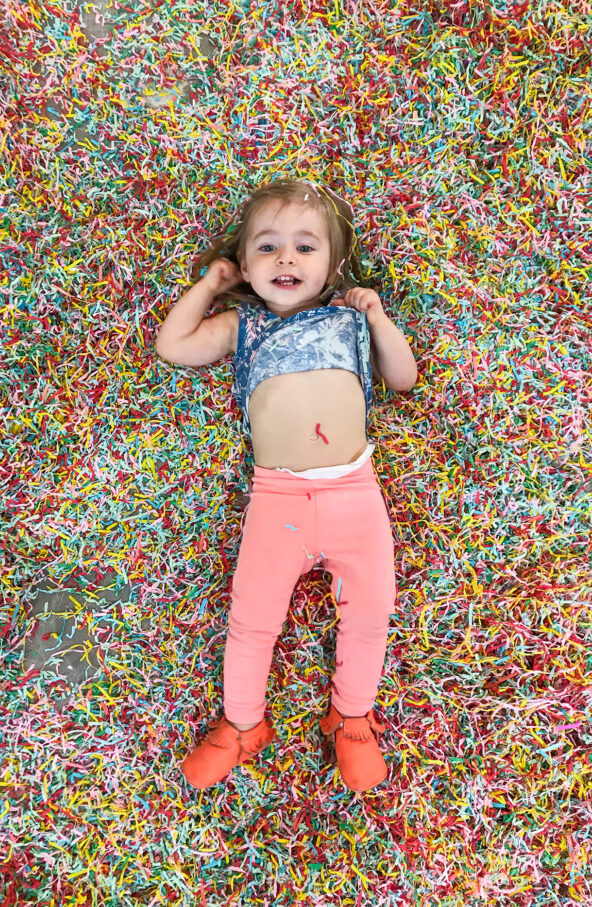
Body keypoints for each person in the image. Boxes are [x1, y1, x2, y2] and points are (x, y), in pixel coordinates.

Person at [155, 178, 418, 791]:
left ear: (332, 263)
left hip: (355, 493)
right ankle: (242, 724)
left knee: (371, 611)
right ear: (245, 265)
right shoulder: (241, 325)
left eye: (305, 247)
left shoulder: (349, 320)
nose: (286, 260)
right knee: (251, 619)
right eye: (268, 248)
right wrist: (210, 286)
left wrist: (377, 317)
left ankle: (351, 718)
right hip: (277, 501)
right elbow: (174, 346)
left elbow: (402, 379)